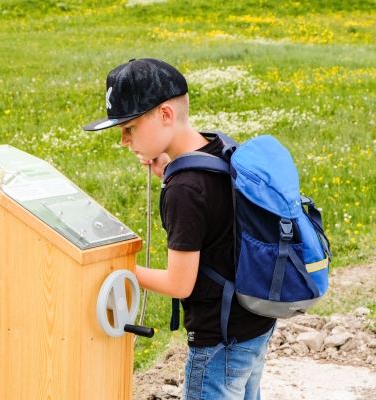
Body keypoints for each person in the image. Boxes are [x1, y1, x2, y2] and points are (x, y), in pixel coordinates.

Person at [83, 58, 276, 400]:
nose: (124, 141)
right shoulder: (222, 147)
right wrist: (167, 164)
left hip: (219, 342)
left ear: (165, 115)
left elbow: (179, 284)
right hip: (255, 323)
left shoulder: (184, 189)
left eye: (129, 128)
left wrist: (119, 267)